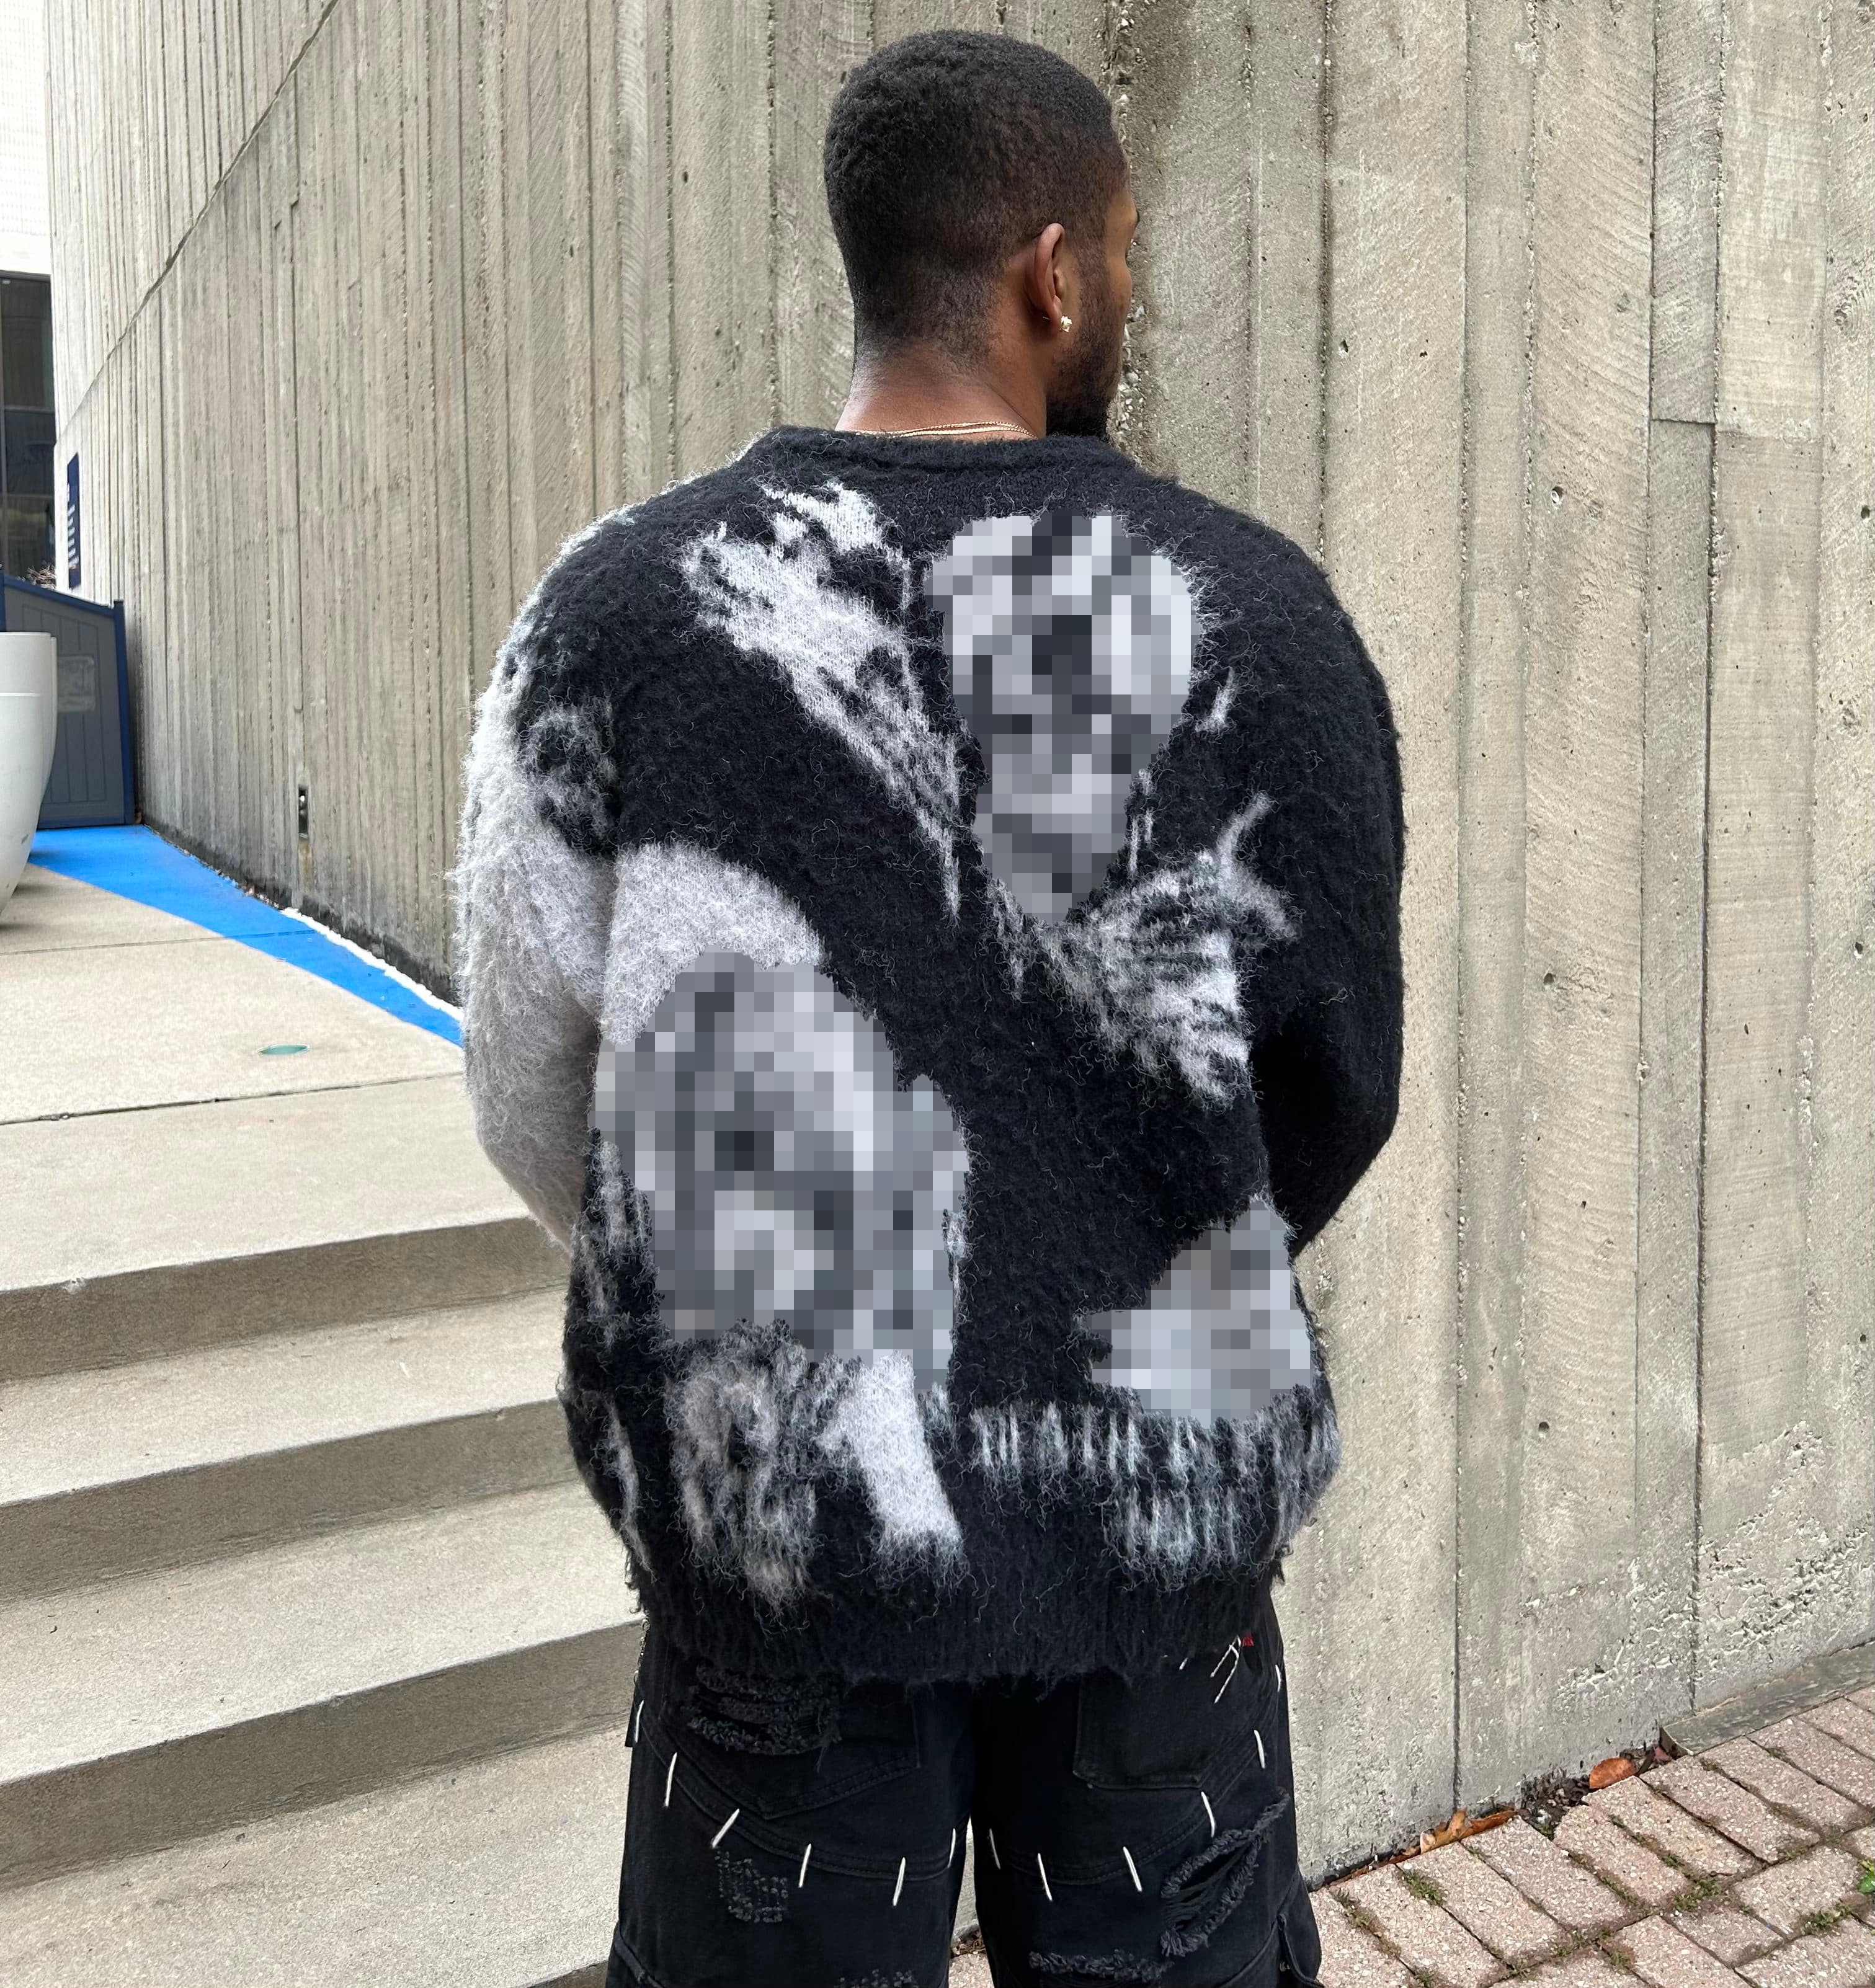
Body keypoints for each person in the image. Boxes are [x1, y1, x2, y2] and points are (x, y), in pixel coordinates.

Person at [453, 28, 1405, 1988]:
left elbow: (539, 1098)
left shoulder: (616, 615)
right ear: (1054, 272)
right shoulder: (1262, 618)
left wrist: (751, 1295)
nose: (1125, 290)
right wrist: (1129, 1230)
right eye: (1122, 251)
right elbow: (1330, 1088)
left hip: (784, 1558)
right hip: (1154, 1533)